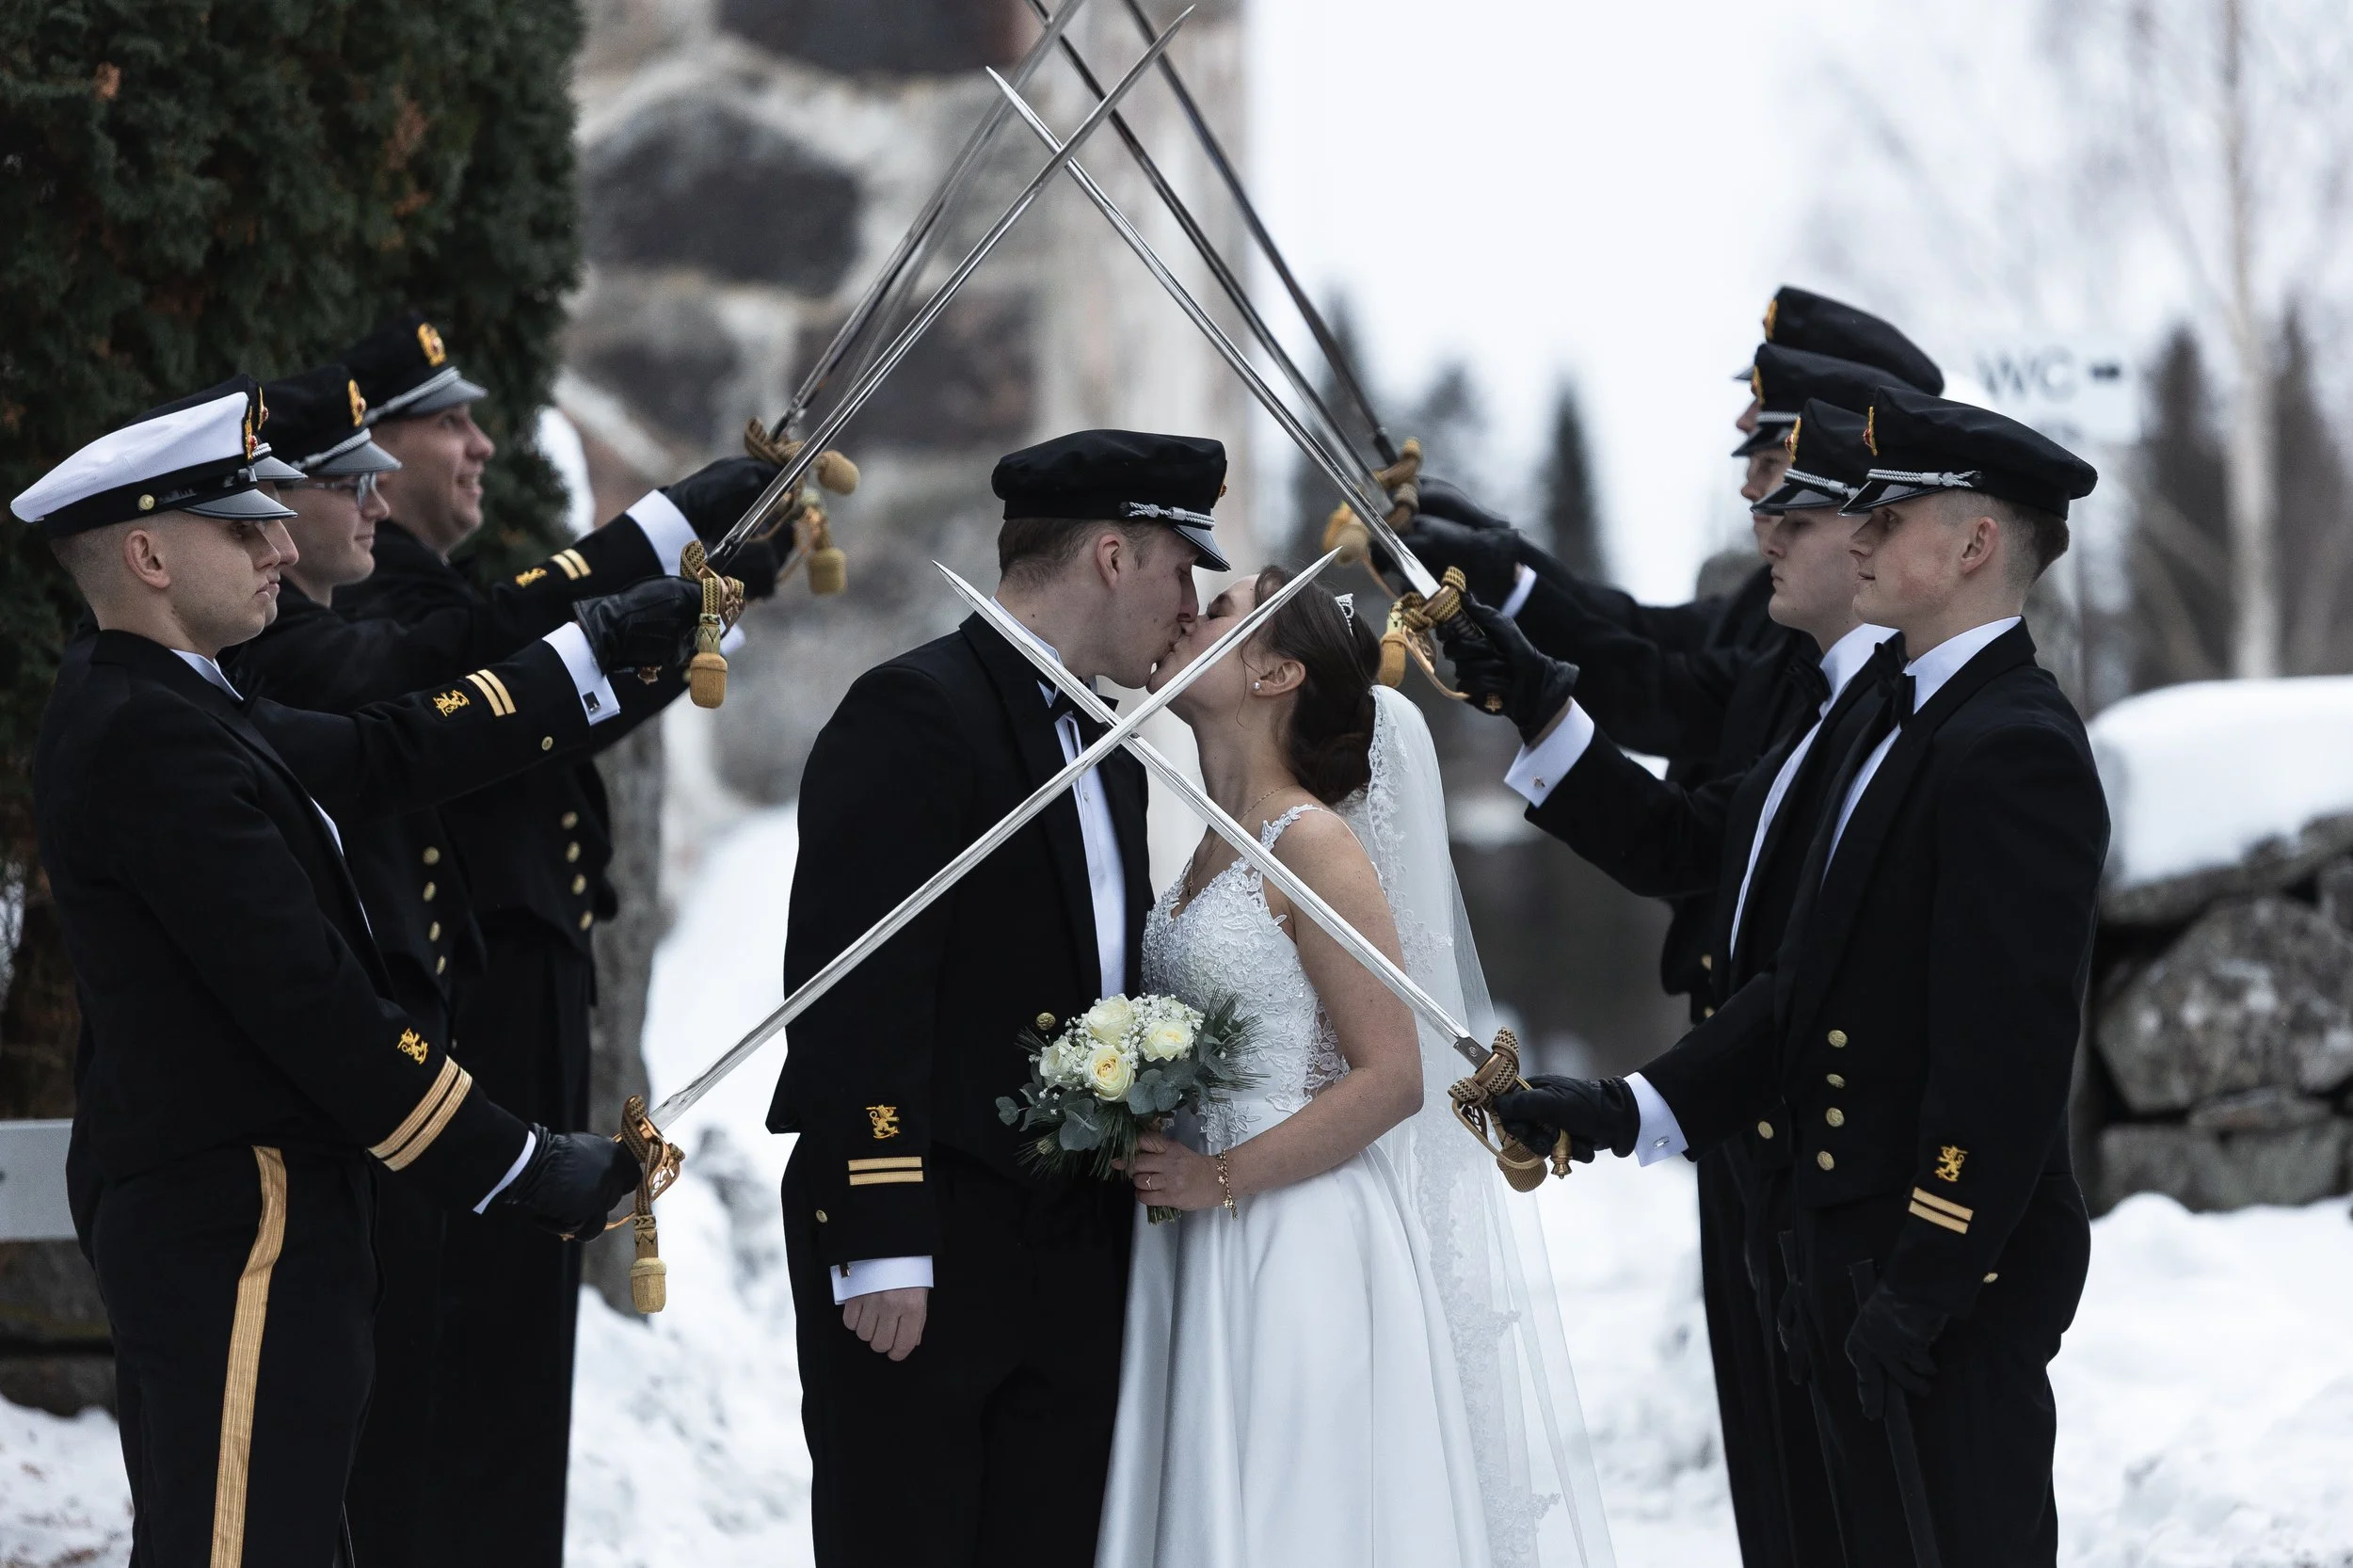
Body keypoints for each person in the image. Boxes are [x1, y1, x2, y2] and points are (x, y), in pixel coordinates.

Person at [12, 376, 701, 1565]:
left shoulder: (182, 701)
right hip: (237, 1211)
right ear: (149, 555)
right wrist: (519, 1165)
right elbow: (315, 1004)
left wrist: (590, 651)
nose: (283, 540)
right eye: (243, 526)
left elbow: (392, 750)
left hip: (269, 1202)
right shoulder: (145, 738)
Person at [1496, 388, 2106, 1566]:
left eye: (1887, 516)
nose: (1855, 536)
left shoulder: (2011, 743)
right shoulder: (1892, 715)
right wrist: (1633, 1109)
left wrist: (1932, 1276)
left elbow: (2006, 1055)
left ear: (1975, 544)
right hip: (1842, 1261)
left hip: (1933, 1288)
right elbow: (1809, 985)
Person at [1397, 288, 1943, 1568]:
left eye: (1783, 482)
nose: (1756, 508)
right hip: (1743, 1095)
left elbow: (1686, 789)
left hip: (1833, 1132)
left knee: (1883, 1497)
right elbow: (1665, 699)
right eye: (1760, 476)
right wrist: (1514, 610)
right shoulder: (1795, 636)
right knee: (1783, 1477)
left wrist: (1536, 669)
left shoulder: (1905, 700)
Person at [222, 353, 774, 1568]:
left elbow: (517, 705)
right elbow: (462, 683)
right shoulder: (316, 638)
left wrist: (689, 609)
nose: (476, 447)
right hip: (415, 1046)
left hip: (476, 1008)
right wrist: (667, 539)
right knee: (420, 1394)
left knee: (492, 1364)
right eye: (444, 427)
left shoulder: (349, 611)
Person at [1096, 568, 1611, 1568]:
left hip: (1292, 1232)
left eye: (1222, 610)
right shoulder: (1209, 841)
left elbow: (1390, 1077)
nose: (1187, 614)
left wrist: (1221, 1176)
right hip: (1194, 1223)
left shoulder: (1316, 844)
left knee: (1297, 1510)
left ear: (1275, 671)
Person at [772, 429, 1220, 1567]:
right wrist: (879, 1233)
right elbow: (853, 986)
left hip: (1072, 1254)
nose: (1190, 600)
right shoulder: (915, 711)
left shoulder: (1113, 759)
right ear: (1112, 556)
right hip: (932, 1244)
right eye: (1182, 567)